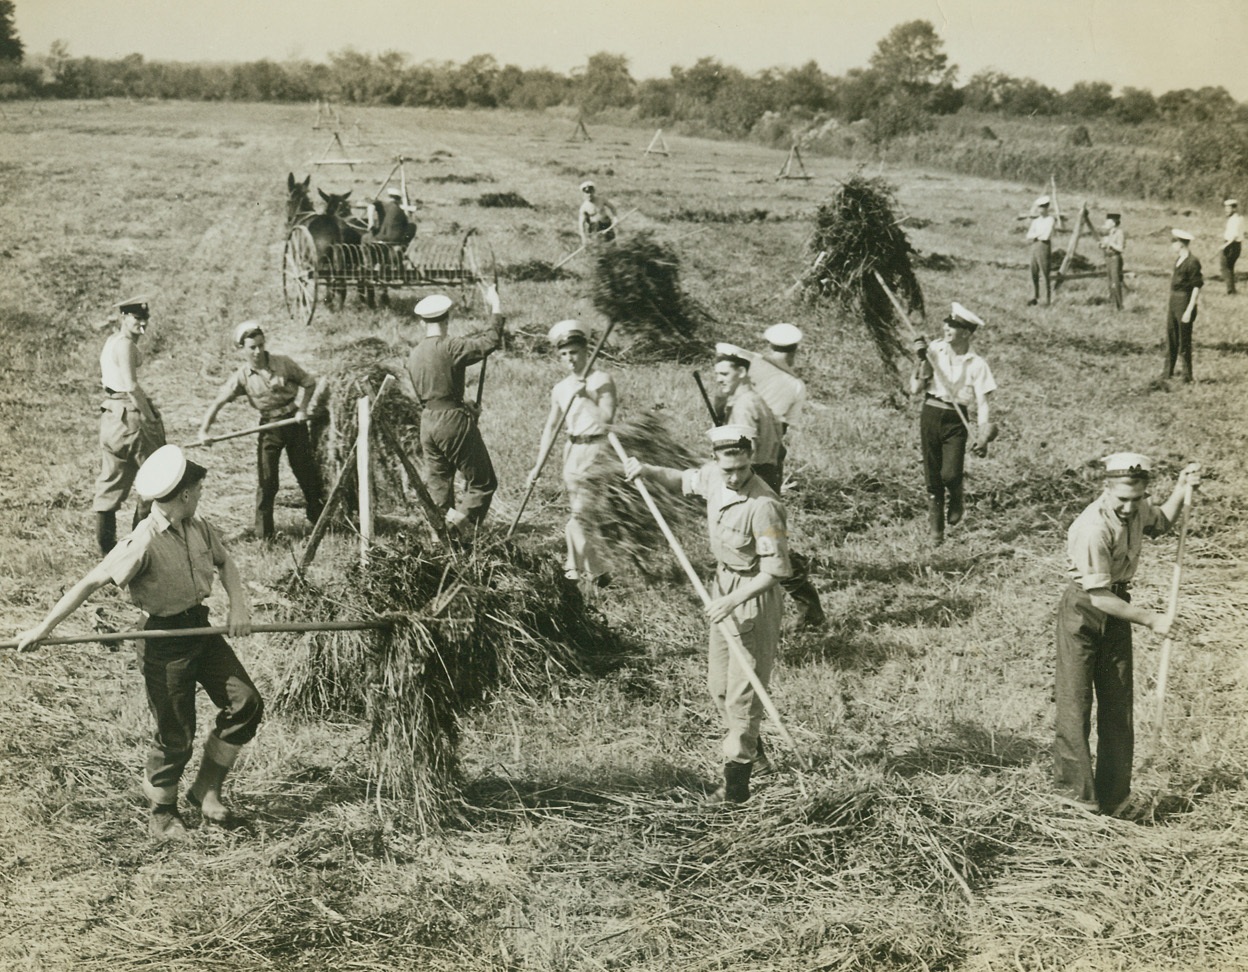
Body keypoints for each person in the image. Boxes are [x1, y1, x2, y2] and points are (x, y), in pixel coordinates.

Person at [16, 445, 263, 839]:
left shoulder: (198, 526)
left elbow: (225, 562)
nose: (200, 496)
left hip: (201, 630)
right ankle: (162, 812)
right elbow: (90, 581)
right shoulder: (143, 541)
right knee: (176, 733)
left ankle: (205, 790)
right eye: (198, 490)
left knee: (246, 703)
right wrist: (42, 629)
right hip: (163, 641)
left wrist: (238, 607)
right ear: (184, 494)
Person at [624, 425, 792, 804]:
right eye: (727, 468)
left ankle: (736, 790)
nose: (734, 477)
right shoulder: (715, 477)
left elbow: (777, 571)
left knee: (741, 696)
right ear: (717, 460)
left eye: (741, 468)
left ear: (750, 460)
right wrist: (647, 470)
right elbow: (683, 479)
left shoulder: (763, 505)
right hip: (722, 589)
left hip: (751, 596)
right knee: (719, 686)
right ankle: (757, 753)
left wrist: (733, 601)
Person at [1054, 452, 1200, 815]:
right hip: (1084, 610)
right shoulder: (1091, 528)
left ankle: (1115, 797)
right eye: (1122, 499)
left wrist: (1182, 489)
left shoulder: (1139, 509)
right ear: (1106, 488)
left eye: (1136, 499)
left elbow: (1163, 521)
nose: (1128, 508)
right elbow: (1099, 597)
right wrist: (1152, 619)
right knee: (1075, 705)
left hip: (1119, 609)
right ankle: (1076, 799)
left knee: (1118, 705)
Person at [714, 332, 825, 629]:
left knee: (764, 547)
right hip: (764, 472)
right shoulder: (750, 399)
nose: (718, 380)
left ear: (740, 372)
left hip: (756, 477)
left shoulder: (747, 406)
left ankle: (807, 608)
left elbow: (740, 454)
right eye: (716, 374)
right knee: (762, 544)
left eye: (724, 374)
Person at [197, 321, 325, 540]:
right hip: (269, 429)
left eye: (260, 345)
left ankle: (321, 523)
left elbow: (309, 382)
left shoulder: (283, 363)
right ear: (242, 349)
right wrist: (204, 431)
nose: (257, 351)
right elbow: (218, 402)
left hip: (294, 423)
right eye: (252, 348)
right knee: (267, 482)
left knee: (307, 474)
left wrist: (302, 409)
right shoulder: (242, 377)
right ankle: (265, 536)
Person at [406, 287, 505, 534]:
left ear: (421, 323)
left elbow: (431, 395)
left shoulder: (414, 355)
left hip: (427, 424)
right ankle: (457, 529)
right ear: (448, 318)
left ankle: (441, 542)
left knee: (439, 488)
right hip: (452, 423)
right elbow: (490, 341)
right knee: (483, 482)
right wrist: (496, 306)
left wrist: (463, 406)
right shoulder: (451, 345)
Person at [529, 319, 617, 586]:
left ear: (586, 350)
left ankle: (572, 571)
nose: (570, 359)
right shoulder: (560, 388)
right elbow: (551, 426)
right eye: (564, 354)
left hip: (597, 450)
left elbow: (607, 419)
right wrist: (537, 465)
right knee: (579, 515)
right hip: (572, 452)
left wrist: (588, 395)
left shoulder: (602, 380)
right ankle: (598, 571)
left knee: (579, 517)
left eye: (574, 352)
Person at [910, 303, 997, 544]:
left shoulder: (977, 364)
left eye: (954, 326)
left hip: (957, 419)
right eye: (946, 323)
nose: (946, 328)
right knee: (932, 473)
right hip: (930, 412)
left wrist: (982, 433)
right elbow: (915, 389)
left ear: (966, 333)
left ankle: (956, 495)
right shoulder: (933, 350)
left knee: (950, 473)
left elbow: (983, 402)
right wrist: (920, 360)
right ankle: (936, 530)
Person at [93, 295, 167, 555]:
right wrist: (150, 416)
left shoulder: (111, 341)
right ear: (123, 317)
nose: (143, 325)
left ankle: (107, 551)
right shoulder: (124, 345)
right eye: (137, 319)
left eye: (145, 320)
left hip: (111, 416)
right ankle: (139, 546)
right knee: (156, 477)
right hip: (130, 414)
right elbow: (132, 386)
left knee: (110, 482)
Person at [1164, 229, 1202, 384]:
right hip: (1174, 301)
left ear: (1181, 243)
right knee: (1171, 336)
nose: (1172, 245)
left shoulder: (1192, 262)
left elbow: (1196, 287)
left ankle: (1187, 376)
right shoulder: (1179, 260)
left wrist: (1189, 309)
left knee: (1184, 340)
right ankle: (1167, 372)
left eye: (1174, 242)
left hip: (1184, 301)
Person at [1025, 196, 1057, 306]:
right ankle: (1035, 296)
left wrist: (1036, 235)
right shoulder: (1036, 221)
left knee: (1044, 273)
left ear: (1047, 208)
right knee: (1033, 271)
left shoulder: (1050, 220)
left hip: (1044, 247)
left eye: (1043, 207)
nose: (1040, 210)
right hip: (1034, 246)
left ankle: (1047, 299)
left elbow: (1046, 236)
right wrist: (1038, 234)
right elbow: (1028, 235)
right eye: (1039, 207)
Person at [1099, 212, 1126, 311]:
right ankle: (1112, 303)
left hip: (1115, 258)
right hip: (1108, 257)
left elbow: (1121, 248)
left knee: (1115, 281)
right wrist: (1102, 245)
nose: (1106, 223)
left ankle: (1119, 305)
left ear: (1114, 223)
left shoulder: (1119, 233)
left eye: (1108, 221)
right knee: (1110, 281)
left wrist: (1110, 243)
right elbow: (1106, 245)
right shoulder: (1109, 233)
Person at [578, 180, 618, 245]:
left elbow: (612, 207)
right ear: (583, 193)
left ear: (593, 191)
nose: (589, 194)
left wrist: (615, 218)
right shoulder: (583, 208)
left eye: (590, 192)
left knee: (612, 244)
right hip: (596, 229)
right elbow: (581, 224)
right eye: (587, 192)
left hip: (607, 225)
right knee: (599, 246)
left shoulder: (601, 199)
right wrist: (584, 238)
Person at [1221, 199, 1242, 296]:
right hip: (1236, 245)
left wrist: (1224, 245)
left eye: (1228, 208)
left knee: (1225, 267)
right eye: (1225, 208)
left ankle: (1230, 291)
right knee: (1230, 268)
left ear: (1234, 209)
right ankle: (1232, 290)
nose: (1226, 210)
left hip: (1231, 245)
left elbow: (1234, 236)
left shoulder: (1234, 220)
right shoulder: (1239, 218)